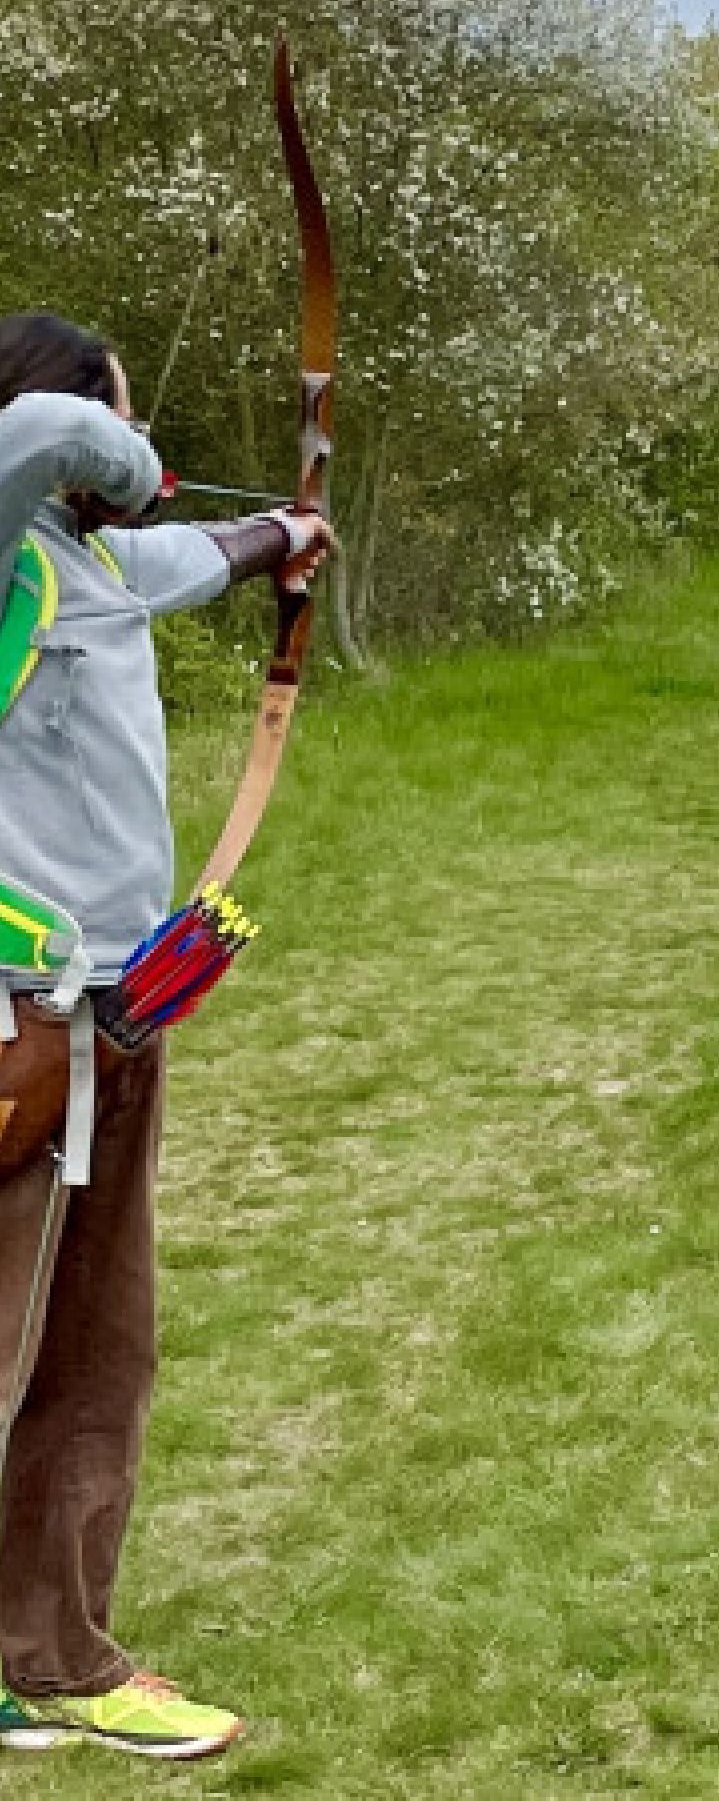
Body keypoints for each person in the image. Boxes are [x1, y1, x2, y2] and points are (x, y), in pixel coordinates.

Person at [0, 311, 330, 1764]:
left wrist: (283, 535)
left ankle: (45, 1653)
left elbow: (191, 559)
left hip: (117, 1017)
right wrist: (124, 455)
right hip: (17, 1027)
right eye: (124, 427)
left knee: (92, 1351)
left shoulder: (88, 565)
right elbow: (37, 440)